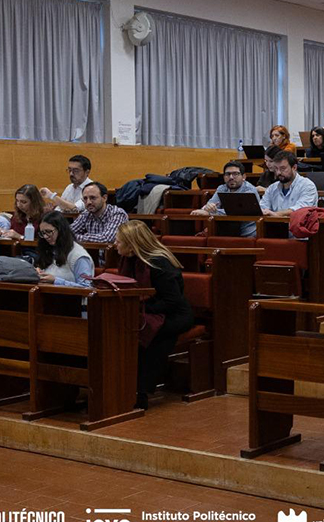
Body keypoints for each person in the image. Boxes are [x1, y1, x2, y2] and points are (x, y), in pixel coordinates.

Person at [113, 220, 196, 410]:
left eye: (119, 242)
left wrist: (139, 308)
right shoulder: (129, 259)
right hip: (147, 310)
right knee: (127, 330)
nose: (115, 245)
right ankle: (122, 386)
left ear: (132, 244)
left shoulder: (159, 263)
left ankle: (140, 392)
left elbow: (171, 301)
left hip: (174, 315)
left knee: (151, 336)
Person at [193, 160, 263, 236]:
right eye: (227, 174)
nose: (231, 177)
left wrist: (210, 212)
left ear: (243, 177)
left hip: (247, 233)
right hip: (228, 230)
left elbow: (237, 212)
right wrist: (206, 208)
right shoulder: (222, 188)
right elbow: (210, 204)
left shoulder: (250, 191)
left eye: (235, 174)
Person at [35, 212, 93, 287]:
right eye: (43, 233)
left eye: (49, 232)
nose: (46, 236)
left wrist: (56, 281)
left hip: (70, 297)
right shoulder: (49, 249)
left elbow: (86, 287)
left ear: (61, 230)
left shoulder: (79, 255)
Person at [259, 150, 318, 219]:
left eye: (282, 168)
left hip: (300, 227)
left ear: (294, 168)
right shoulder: (272, 188)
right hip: (274, 227)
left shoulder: (307, 185)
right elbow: (262, 207)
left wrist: (275, 214)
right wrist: (264, 212)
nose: (278, 173)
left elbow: (301, 210)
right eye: (276, 169)